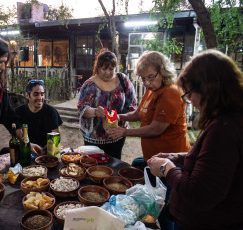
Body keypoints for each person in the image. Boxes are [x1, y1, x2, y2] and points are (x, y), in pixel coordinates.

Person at [147, 49, 243, 230]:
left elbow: (198, 194)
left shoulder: (224, 130)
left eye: (189, 94)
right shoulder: (230, 119)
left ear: (208, 89)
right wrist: (177, 156)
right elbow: (214, 163)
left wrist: (166, 168)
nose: (190, 100)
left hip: (209, 222)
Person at [108, 50, 191, 168]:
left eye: (150, 77)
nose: (146, 82)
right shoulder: (152, 89)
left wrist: (125, 132)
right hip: (153, 157)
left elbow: (155, 129)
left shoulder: (171, 92)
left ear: (163, 71)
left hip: (171, 160)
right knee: (136, 165)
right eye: (143, 78)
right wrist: (119, 116)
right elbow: (139, 114)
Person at [77, 50, 137, 159]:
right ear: (98, 68)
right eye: (104, 69)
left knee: (115, 164)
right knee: (93, 167)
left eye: (111, 69)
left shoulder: (123, 80)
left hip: (117, 135)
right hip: (94, 138)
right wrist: (95, 111)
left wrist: (126, 119)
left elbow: (132, 104)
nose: (108, 72)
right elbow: (82, 109)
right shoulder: (89, 85)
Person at [15, 79, 63, 150]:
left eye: (42, 94)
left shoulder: (51, 112)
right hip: (25, 150)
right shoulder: (18, 112)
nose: (40, 98)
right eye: (36, 94)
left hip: (46, 152)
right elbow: (17, 137)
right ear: (27, 95)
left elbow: (56, 136)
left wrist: (45, 150)